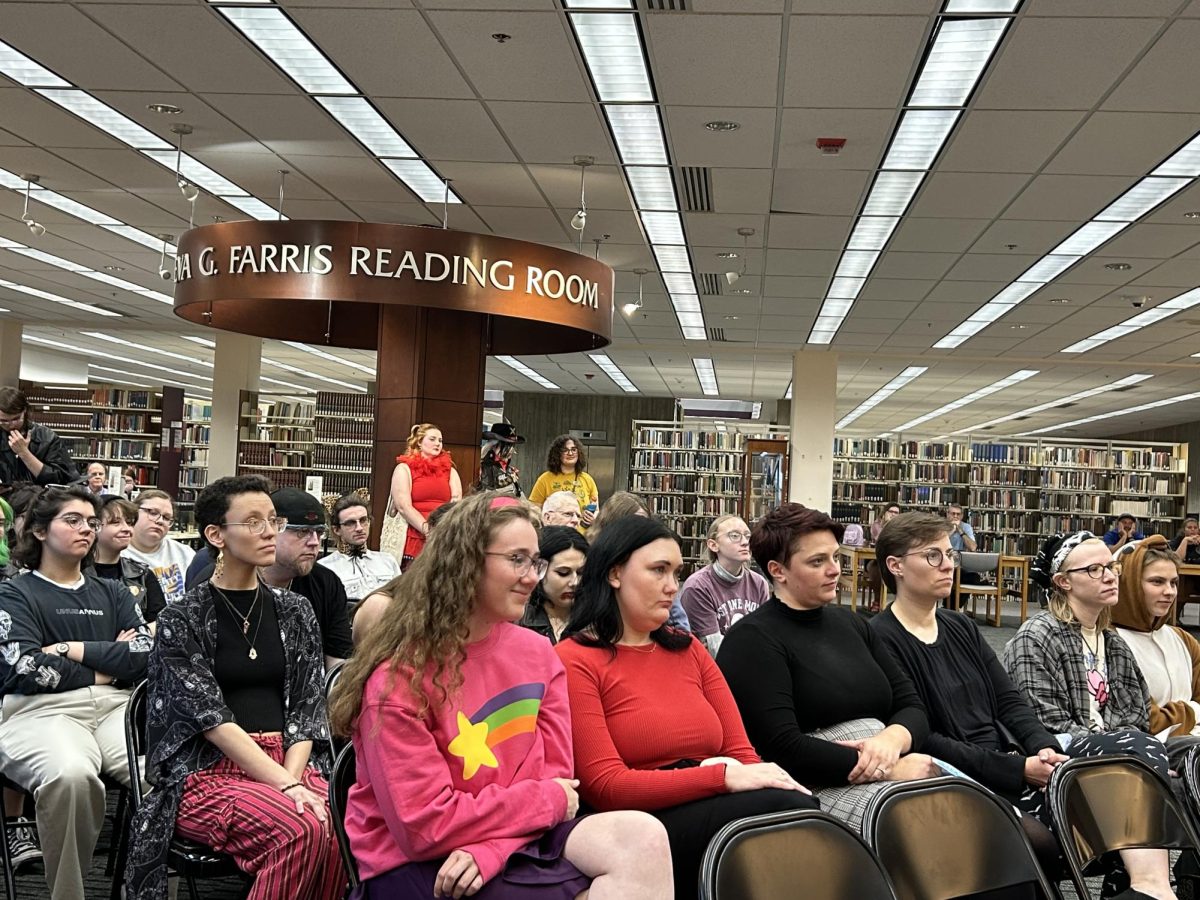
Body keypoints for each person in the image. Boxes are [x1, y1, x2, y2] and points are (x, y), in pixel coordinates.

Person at [328, 492, 673, 900]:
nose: (532, 576)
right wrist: (535, 810)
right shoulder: (397, 679)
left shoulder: (537, 654)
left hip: (517, 837)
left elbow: (558, 783)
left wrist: (494, 848)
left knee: (644, 837)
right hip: (419, 864)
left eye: (535, 561)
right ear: (467, 563)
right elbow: (423, 826)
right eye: (517, 560)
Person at [557, 515, 815, 899]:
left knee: (800, 808)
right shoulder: (575, 659)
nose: (671, 587)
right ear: (614, 574)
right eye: (658, 570)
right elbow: (607, 786)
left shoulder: (688, 648)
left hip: (711, 797)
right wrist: (722, 778)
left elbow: (740, 751)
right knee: (786, 811)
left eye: (676, 573)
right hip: (642, 821)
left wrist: (749, 775)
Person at [125, 475, 345, 900]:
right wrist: (286, 787)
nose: (269, 531)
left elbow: (306, 708)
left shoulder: (295, 610)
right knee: (301, 827)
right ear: (216, 534)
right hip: (209, 772)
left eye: (273, 520)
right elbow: (212, 720)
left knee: (342, 822)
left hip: (289, 759)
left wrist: (292, 780)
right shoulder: (182, 617)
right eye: (253, 521)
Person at [716, 503, 936, 834]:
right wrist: (888, 768)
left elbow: (912, 705)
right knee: (932, 831)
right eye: (817, 562)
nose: (834, 569)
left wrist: (891, 740)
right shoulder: (751, 640)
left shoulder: (853, 624)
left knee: (997, 826)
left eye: (835, 557)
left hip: (892, 759)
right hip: (822, 784)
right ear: (778, 570)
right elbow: (781, 747)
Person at [870, 512, 1070, 856]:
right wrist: (1017, 769)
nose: (947, 565)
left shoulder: (961, 627)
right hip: (960, 774)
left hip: (1010, 757)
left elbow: (1008, 700)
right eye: (933, 555)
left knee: (1102, 796)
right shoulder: (879, 638)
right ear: (895, 565)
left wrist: (1044, 747)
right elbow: (925, 737)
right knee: (1042, 842)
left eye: (950, 554)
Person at [1004, 531, 1176, 900]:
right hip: (1057, 771)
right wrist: (1126, 746)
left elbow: (1137, 714)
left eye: (1112, 566)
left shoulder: (1112, 641)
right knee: (1136, 750)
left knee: (1191, 751)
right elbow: (1044, 725)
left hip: (1121, 758)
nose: (1111, 576)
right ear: (1063, 582)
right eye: (1095, 569)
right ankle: (1151, 888)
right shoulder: (1036, 636)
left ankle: (1163, 879)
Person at [0, 485, 151, 900]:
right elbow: (26, 668)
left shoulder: (113, 591)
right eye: (73, 520)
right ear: (40, 531)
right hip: (40, 713)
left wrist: (70, 650)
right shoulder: (14, 592)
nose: (86, 528)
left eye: (91, 521)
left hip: (116, 711)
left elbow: (144, 654)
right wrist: (106, 668)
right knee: (71, 776)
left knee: (164, 775)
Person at [1112, 537, 1200, 752]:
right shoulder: (1110, 643)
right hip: (1151, 757)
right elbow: (1148, 722)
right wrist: (1193, 711)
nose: (1169, 591)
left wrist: (1174, 716)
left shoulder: (1183, 639)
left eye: (1174, 582)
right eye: (1157, 582)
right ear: (1129, 585)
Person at [678, 515, 768, 657]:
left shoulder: (758, 583)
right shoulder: (698, 587)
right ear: (713, 545)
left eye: (747, 536)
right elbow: (715, 649)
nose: (745, 542)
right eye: (734, 536)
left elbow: (766, 636)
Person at [390, 423, 462, 570]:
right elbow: (403, 506)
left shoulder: (450, 471)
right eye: (433, 439)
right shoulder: (404, 469)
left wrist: (443, 530)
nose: (438, 443)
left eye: (440, 440)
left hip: (443, 533)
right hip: (413, 533)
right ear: (419, 442)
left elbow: (456, 502)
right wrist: (427, 529)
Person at [88, 495, 166, 627]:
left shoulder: (142, 575)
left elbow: (161, 625)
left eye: (129, 523)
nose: (126, 529)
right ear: (94, 527)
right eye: (115, 522)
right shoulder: (74, 573)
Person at [317, 493, 401, 602]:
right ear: (336, 529)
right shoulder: (325, 568)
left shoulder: (388, 561)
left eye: (363, 520)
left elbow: (402, 601)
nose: (359, 528)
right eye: (350, 523)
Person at [122, 490, 195, 605]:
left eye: (167, 518)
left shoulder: (185, 553)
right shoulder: (119, 555)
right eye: (153, 513)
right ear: (134, 512)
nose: (160, 521)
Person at [520, 526, 588, 645]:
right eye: (563, 573)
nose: (574, 582)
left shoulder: (596, 621)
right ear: (539, 569)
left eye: (580, 573)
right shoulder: (517, 619)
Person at [0, 387, 80, 489]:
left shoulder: (47, 437)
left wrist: (24, 453)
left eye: (16, 418)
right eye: (3, 421)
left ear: (24, 411)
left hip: (42, 499)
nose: (11, 425)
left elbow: (60, 480)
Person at [528, 436, 599, 528]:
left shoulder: (587, 479)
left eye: (574, 449)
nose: (570, 453)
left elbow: (596, 509)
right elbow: (534, 510)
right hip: (555, 536)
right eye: (565, 450)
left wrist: (593, 518)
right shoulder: (545, 479)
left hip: (582, 537)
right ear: (557, 454)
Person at [866, 503, 902, 611]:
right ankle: (877, 601)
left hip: (893, 559)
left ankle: (899, 604)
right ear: (885, 512)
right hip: (875, 560)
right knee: (875, 569)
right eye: (891, 512)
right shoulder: (877, 524)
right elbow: (880, 539)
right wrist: (887, 524)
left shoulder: (900, 527)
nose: (893, 515)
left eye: (896, 513)